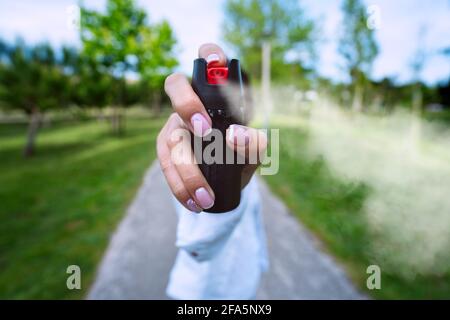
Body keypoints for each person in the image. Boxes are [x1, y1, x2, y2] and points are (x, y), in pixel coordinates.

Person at [156, 43, 268, 299]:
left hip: (246, 289)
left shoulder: (245, 154)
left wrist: (261, 263)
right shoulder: (192, 151)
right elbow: (199, 240)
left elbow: (255, 225)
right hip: (196, 296)